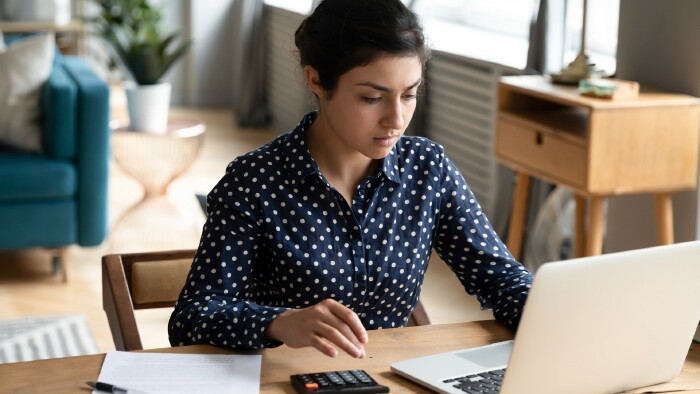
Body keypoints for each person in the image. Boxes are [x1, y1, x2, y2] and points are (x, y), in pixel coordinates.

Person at [169, 0, 532, 359]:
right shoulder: (254, 181)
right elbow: (192, 318)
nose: (397, 120)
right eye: (372, 98)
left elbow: (501, 279)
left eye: (409, 95)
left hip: (392, 379)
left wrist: (553, 311)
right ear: (317, 80)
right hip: (285, 382)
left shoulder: (427, 169)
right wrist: (278, 322)